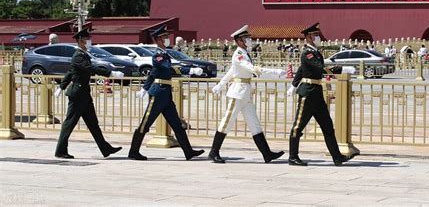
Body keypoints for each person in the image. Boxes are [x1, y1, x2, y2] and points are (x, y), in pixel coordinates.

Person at [208, 25, 286, 164]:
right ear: (239, 41)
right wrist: (274, 71)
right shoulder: (238, 54)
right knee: (227, 121)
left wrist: (220, 84)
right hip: (238, 92)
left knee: (254, 123)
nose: (249, 40)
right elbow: (250, 69)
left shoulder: (244, 53)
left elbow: (231, 72)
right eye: (246, 38)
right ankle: (214, 152)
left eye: (249, 38)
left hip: (245, 93)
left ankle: (267, 154)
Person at [128, 26, 204, 161]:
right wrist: (189, 71)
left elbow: (153, 74)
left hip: (165, 95)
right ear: (158, 40)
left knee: (176, 124)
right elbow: (168, 69)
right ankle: (133, 151)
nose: (167, 39)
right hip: (158, 94)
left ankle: (188, 151)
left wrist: (144, 88)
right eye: (165, 37)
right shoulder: (158, 55)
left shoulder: (164, 54)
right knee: (145, 123)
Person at [286, 23, 357, 166]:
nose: (318, 37)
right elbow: (320, 67)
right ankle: (293, 156)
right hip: (307, 93)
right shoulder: (307, 53)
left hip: (317, 94)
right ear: (308, 37)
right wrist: (342, 69)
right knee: (298, 126)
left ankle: (337, 157)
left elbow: (301, 69)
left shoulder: (315, 52)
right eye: (315, 35)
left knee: (328, 127)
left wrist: (294, 84)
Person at [54, 28, 124, 159]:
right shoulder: (78, 56)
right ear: (81, 41)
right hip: (78, 95)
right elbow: (90, 68)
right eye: (87, 40)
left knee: (93, 123)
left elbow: (70, 72)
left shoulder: (83, 55)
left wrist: (61, 86)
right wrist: (110, 73)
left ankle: (105, 149)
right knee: (69, 123)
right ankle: (60, 150)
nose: (89, 42)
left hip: (84, 94)